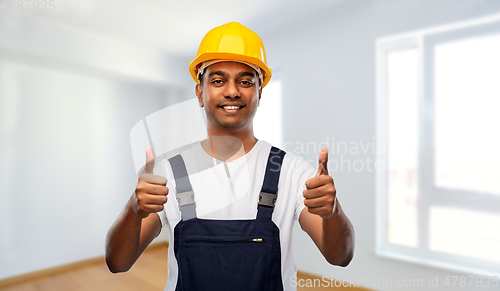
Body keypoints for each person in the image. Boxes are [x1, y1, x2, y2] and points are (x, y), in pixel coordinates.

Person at [105, 22, 354, 291]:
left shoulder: (292, 172)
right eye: (218, 80)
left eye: (246, 81)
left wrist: (332, 212)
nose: (232, 91)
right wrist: (133, 208)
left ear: (260, 92)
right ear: (200, 93)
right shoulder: (168, 174)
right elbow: (118, 262)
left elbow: (339, 257)